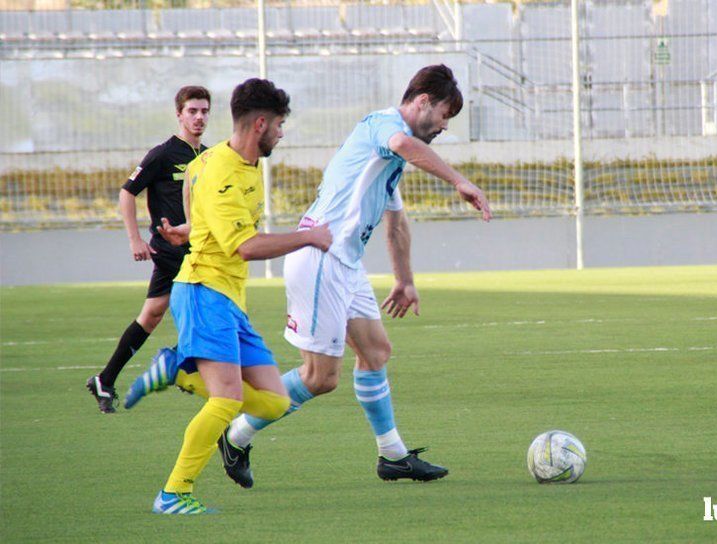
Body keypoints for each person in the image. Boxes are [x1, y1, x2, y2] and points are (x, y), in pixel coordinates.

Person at [218, 64, 492, 487]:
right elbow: (403, 143)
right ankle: (236, 435)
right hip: (318, 256)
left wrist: (404, 280)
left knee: (376, 352)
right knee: (319, 377)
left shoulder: (387, 160)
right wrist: (460, 180)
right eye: (443, 116)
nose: (443, 126)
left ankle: (393, 457)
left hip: (344, 264)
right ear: (423, 102)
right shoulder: (384, 128)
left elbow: (396, 222)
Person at [122, 78, 333, 514]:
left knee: (274, 400)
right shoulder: (218, 170)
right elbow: (246, 247)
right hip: (203, 291)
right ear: (260, 124)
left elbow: (198, 214)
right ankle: (173, 493)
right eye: (278, 125)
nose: (281, 133)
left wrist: (187, 230)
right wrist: (309, 238)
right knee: (226, 400)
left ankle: (176, 372)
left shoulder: (226, 161)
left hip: (227, 298)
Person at [86, 86, 211, 414]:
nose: (199, 117)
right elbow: (128, 193)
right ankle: (188, 370)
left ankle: (105, 378)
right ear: (179, 114)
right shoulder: (163, 154)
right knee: (200, 309)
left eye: (204, 111)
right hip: (173, 251)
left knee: (154, 314)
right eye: (192, 111)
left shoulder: (210, 157)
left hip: (199, 249)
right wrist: (134, 239)